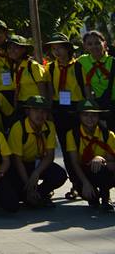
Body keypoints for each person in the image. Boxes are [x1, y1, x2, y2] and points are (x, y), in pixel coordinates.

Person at [7, 96, 66, 208]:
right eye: (36, 110)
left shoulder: (49, 126)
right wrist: (28, 185)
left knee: (59, 175)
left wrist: (36, 173)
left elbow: (49, 156)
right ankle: (29, 194)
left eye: (44, 111)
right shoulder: (19, 127)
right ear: (27, 111)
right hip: (20, 166)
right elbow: (17, 160)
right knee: (14, 197)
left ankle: (39, 194)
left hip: (38, 164)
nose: (40, 114)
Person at [45, 33, 81, 199]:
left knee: (80, 147)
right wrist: (50, 112)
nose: (56, 51)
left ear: (68, 48)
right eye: (53, 49)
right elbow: (50, 91)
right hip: (59, 109)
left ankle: (84, 182)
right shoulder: (51, 68)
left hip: (76, 108)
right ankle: (75, 184)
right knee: (67, 150)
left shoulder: (79, 66)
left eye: (60, 47)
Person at [64, 99, 115, 213]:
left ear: (98, 117)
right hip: (83, 172)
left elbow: (111, 163)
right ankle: (93, 195)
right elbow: (75, 163)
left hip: (102, 171)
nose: (90, 118)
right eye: (85, 115)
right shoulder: (72, 134)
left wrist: (100, 158)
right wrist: (85, 183)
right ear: (79, 117)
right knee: (91, 198)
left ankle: (106, 197)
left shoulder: (108, 134)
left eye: (94, 115)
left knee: (101, 167)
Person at [75, 31, 114, 118]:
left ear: (104, 44)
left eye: (97, 43)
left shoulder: (112, 61)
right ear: (85, 46)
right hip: (97, 105)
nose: (94, 46)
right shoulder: (82, 61)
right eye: (89, 44)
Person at [5, 36, 50, 107]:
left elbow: (42, 89)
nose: (12, 50)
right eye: (9, 48)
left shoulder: (33, 66)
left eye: (15, 47)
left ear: (24, 49)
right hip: (21, 104)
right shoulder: (14, 66)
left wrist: (44, 107)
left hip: (35, 104)